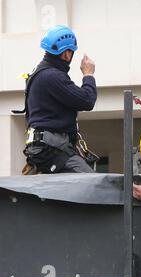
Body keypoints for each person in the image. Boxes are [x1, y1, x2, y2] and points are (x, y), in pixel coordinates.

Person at [23, 25, 97, 174]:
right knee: (95, 185)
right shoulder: (52, 76)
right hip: (52, 151)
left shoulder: (39, 73)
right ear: (66, 54)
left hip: (45, 150)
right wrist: (88, 75)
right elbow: (87, 100)